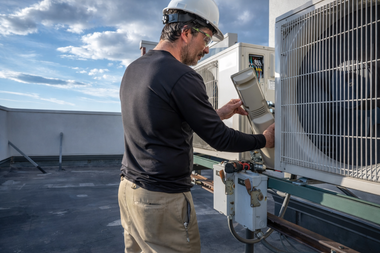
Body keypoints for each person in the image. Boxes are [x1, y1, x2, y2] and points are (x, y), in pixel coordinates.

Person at [118, 0, 275, 252]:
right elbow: (221, 140)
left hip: (129, 192)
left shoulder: (134, 69)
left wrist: (218, 114)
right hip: (162, 202)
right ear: (187, 32)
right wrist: (264, 140)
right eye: (206, 40)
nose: (206, 50)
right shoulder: (183, 75)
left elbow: (163, 122)